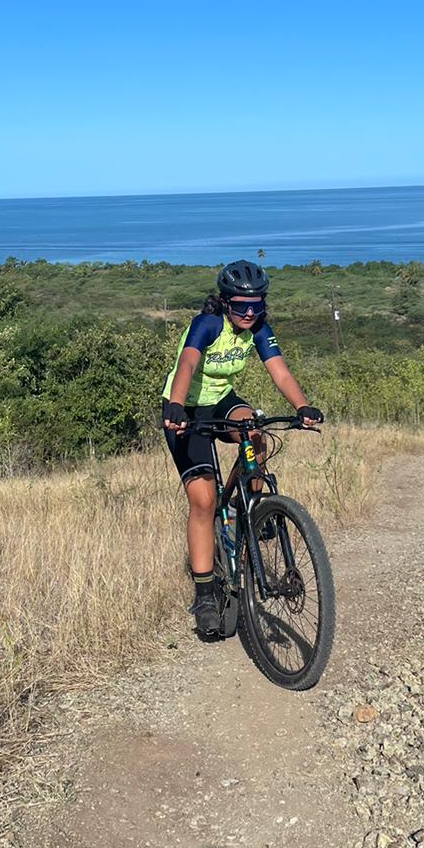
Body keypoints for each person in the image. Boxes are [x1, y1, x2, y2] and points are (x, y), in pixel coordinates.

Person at [162, 260, 322, 635]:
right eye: (240, 305)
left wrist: (302, 406)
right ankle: (204, 593)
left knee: (254, 431)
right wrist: (174, 405)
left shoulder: (259, 330)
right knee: (202, 501)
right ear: (225, 302)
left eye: (256, 305)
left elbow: (279, 371)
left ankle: (247, 503)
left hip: (220, 401)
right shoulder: (208, 324)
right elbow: (186, 364)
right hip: (184, 409)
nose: (249, 312)